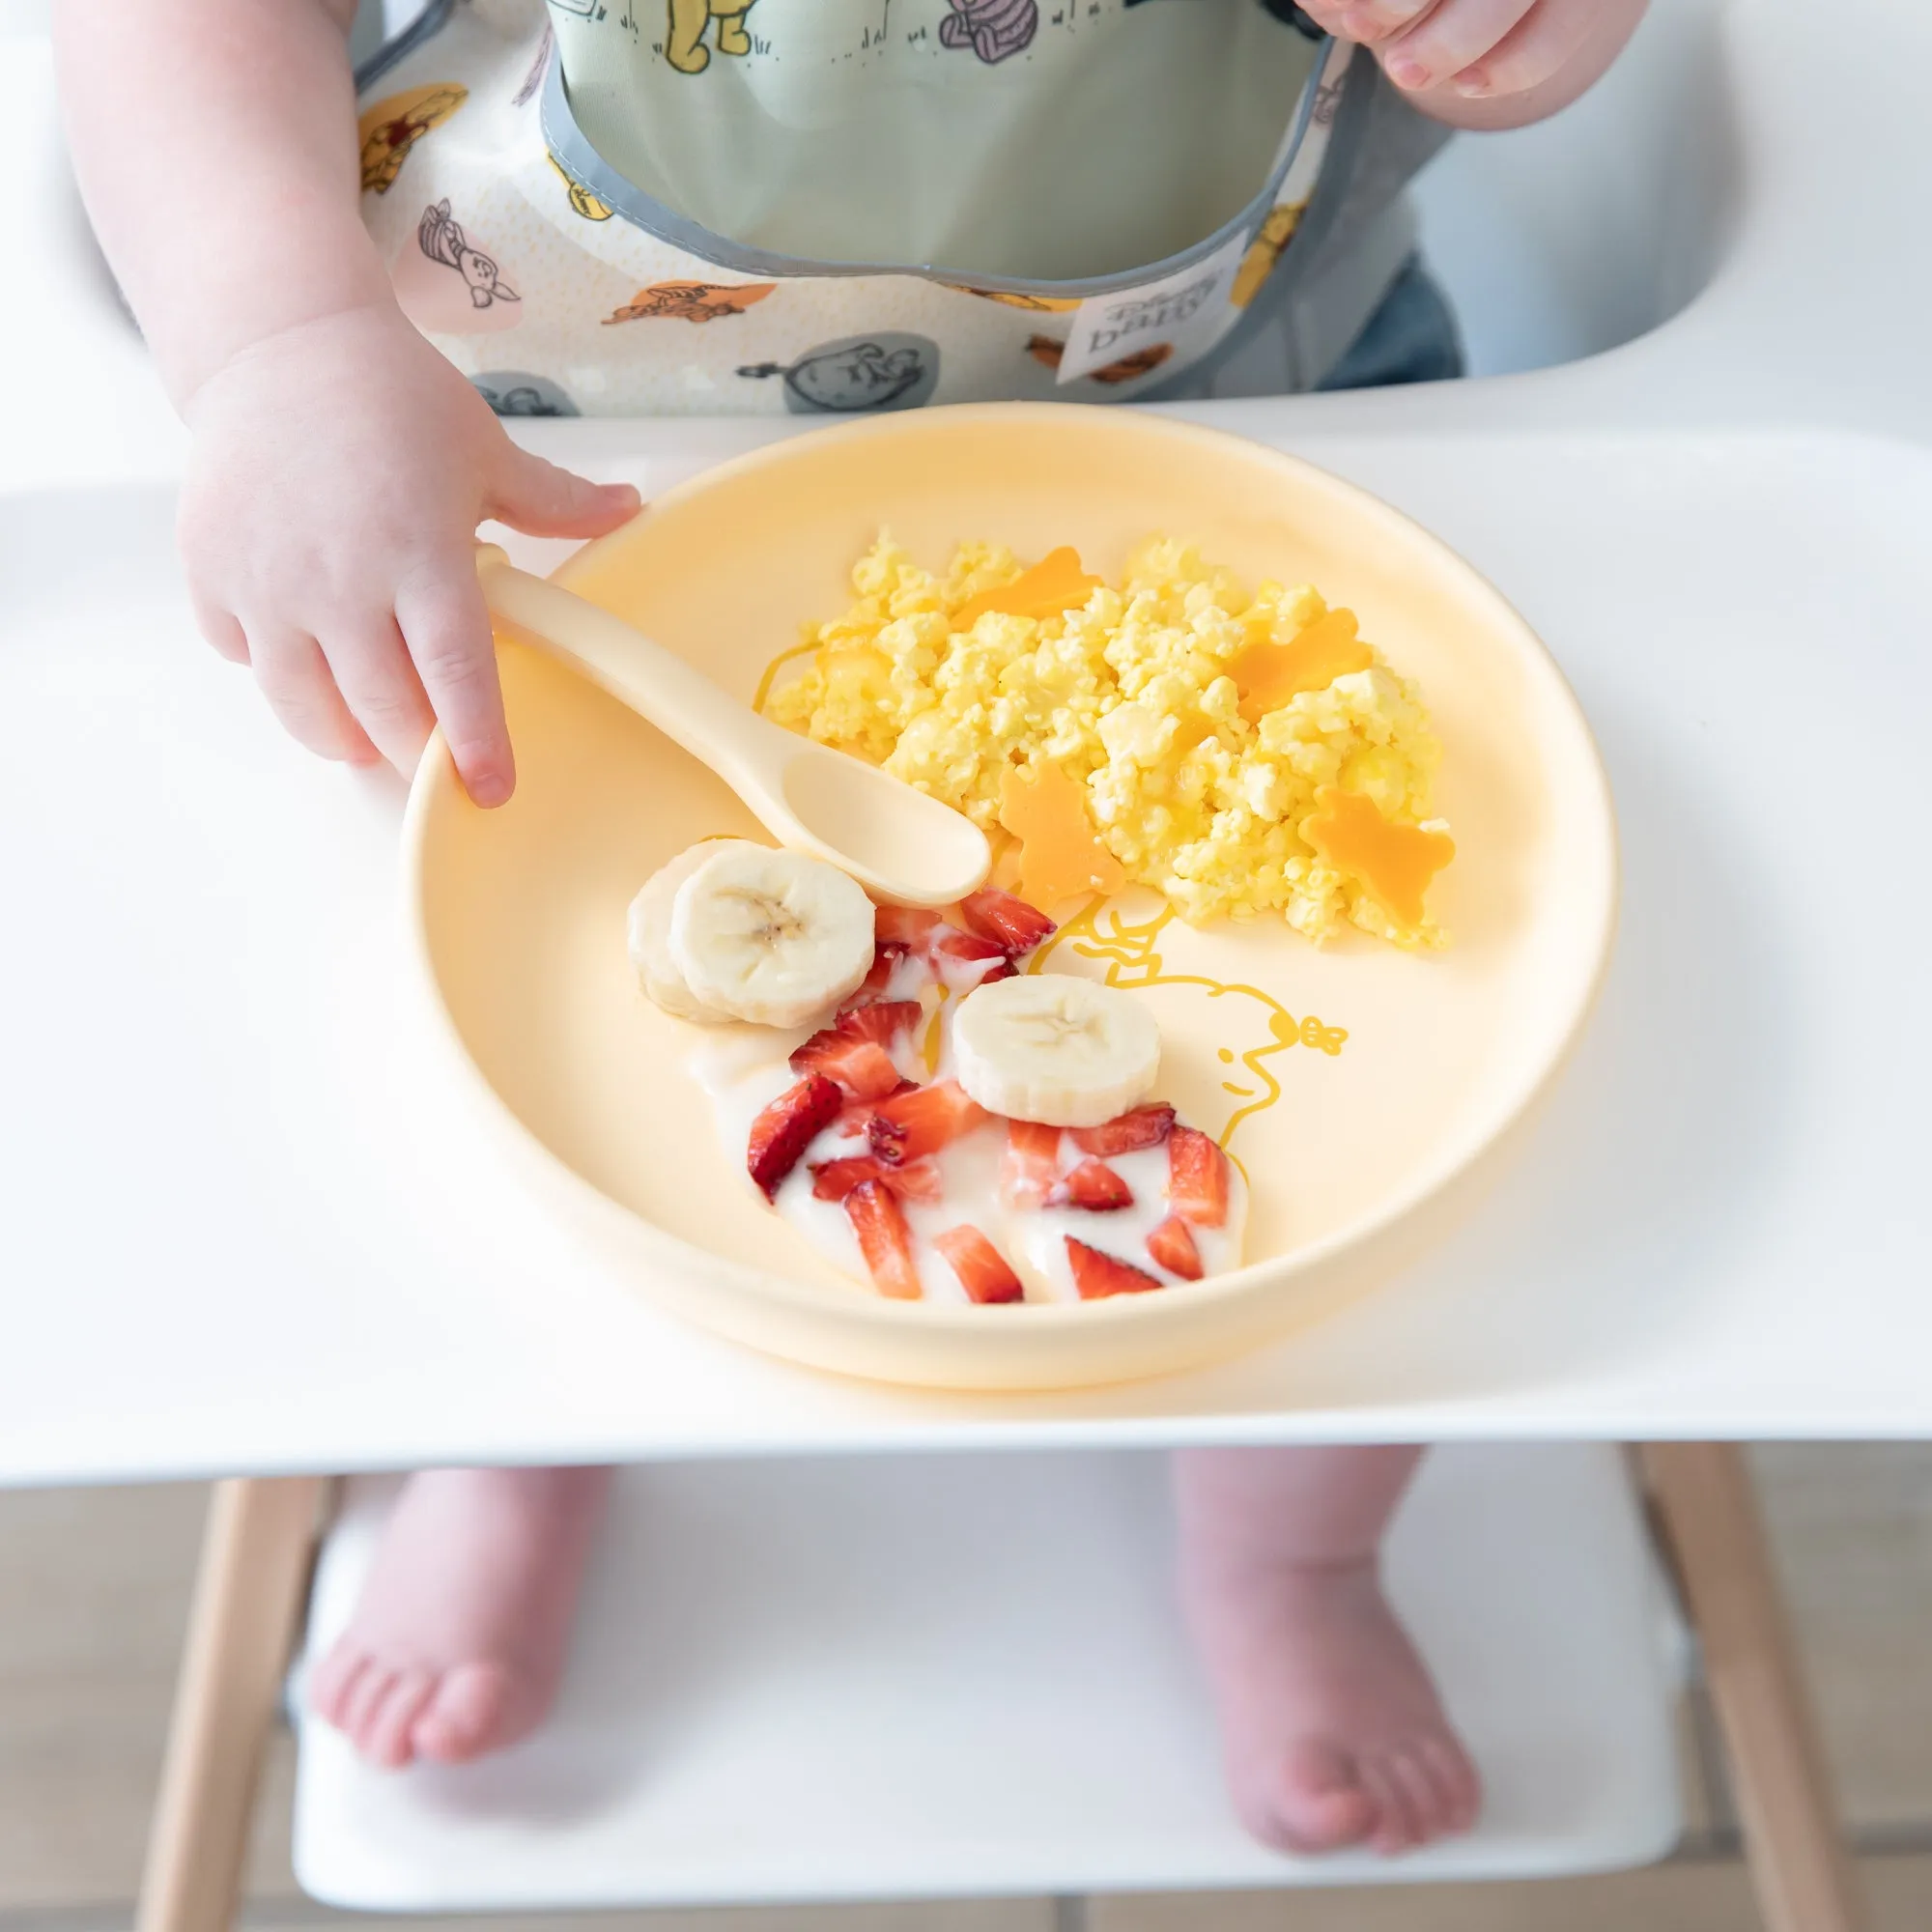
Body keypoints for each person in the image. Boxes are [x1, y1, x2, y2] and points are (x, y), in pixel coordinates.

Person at [55, 0, 1645, 1858]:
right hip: (543, 448)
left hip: (1231, 387)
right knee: (519, 1040)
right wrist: (276, 341)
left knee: (1411, 1134)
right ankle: (517, 1447)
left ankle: (1292, 1548)